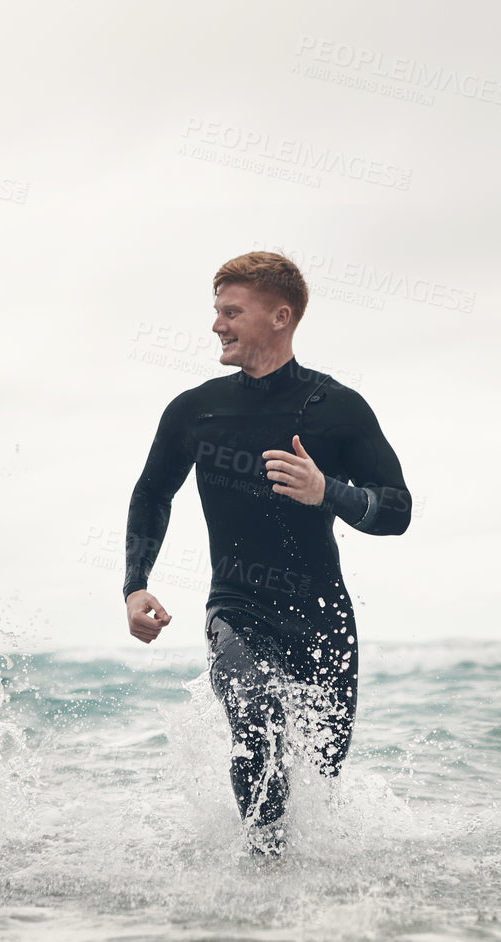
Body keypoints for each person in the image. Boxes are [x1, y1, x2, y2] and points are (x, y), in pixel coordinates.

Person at [123, 252, 411, 856]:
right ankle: (261, 886)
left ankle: (304, 905)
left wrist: (326, 492)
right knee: (255, 724)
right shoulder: (196, 409)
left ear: (281, 317)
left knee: (319, 783)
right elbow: (153, 491)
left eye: (233, 312)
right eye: (216, 311)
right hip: (238, 607)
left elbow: (398, 510)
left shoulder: (337, 408)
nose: (217, 325)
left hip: (322, 618)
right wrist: (136, 583)